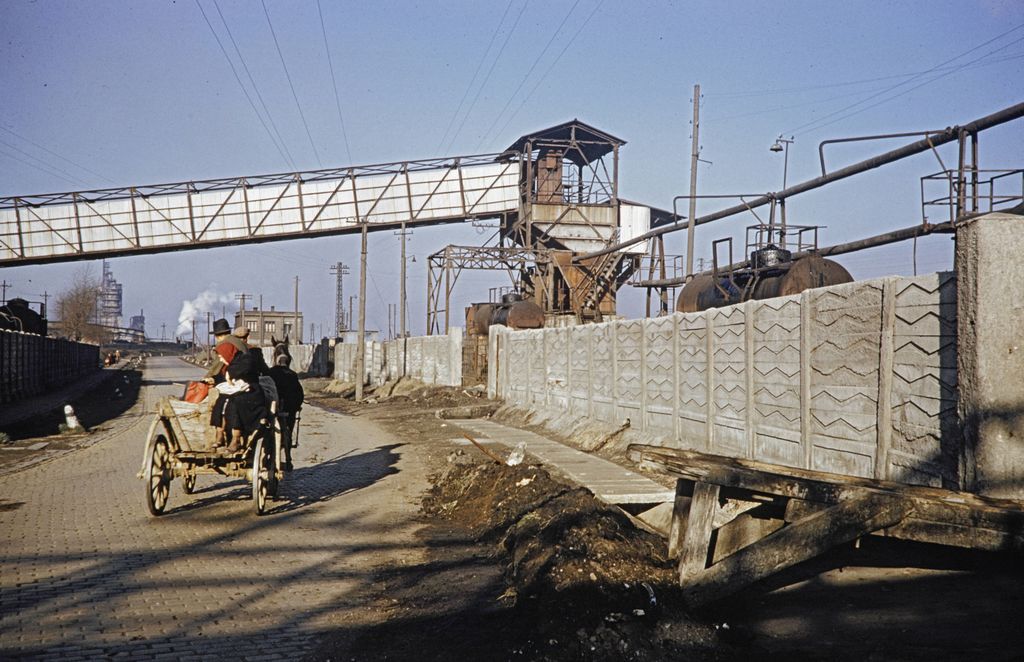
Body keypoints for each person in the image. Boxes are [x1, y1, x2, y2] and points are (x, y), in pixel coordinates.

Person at [203, 318, 249, 449]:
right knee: (221, 402)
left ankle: (227, 437)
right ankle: (220, 435)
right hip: (237, 379)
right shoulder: (237, 342)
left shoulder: (226, 345)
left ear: (219, 336)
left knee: (223, 401)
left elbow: (219, 364)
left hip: (240, 382)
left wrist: (208, 377)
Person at [269, 354, 304, 471]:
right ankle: (288, 459)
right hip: (289, 408)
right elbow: (299, 394)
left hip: (272, 407)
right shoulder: (292, 374)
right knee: (288, 429)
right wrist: (297, 406)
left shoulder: (270, 373)